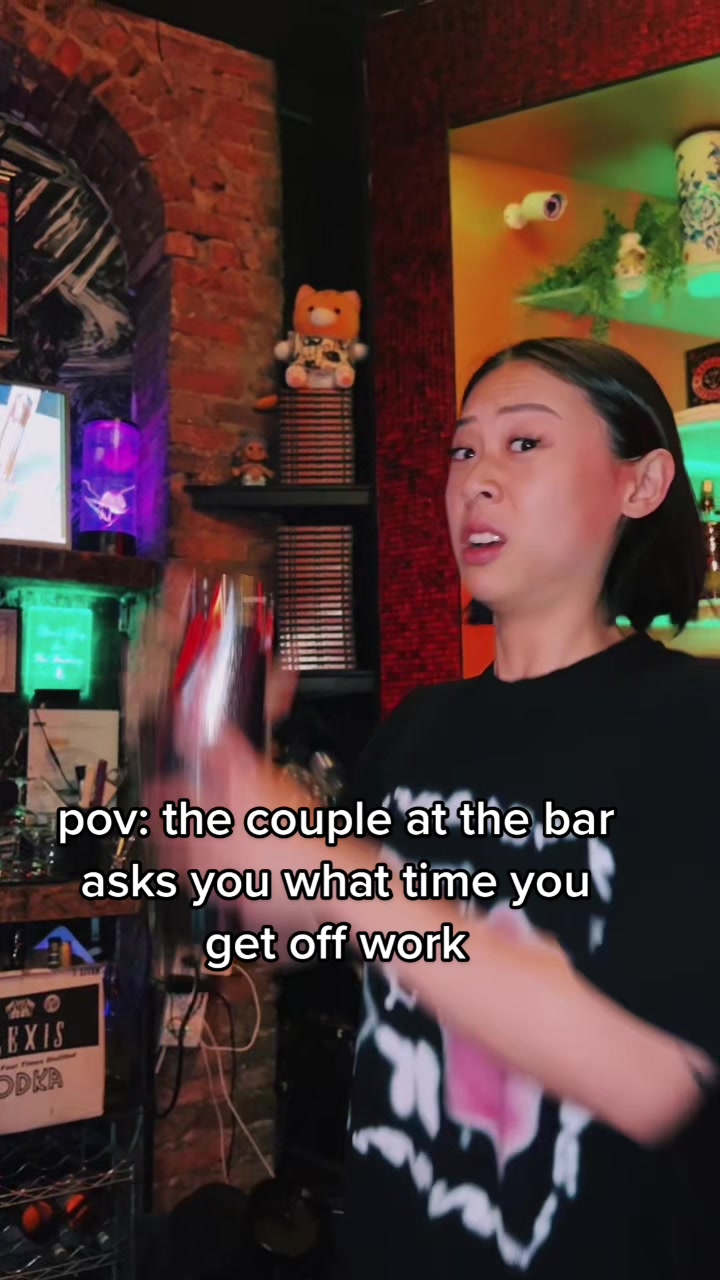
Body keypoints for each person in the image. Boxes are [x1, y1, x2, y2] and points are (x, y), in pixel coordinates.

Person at [135, 337, 720, 1279]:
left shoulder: (695, 723)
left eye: (524, 443)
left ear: (641, 484)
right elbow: (302, 926)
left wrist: (340, 877)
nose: (475, 480)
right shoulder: (420, 726)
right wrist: (210, 795)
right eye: (462, 450)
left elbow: (657, 1079)